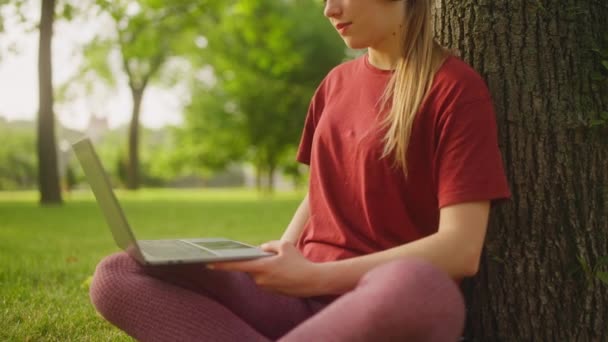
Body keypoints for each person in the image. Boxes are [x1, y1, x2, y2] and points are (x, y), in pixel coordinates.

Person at [89, 0, 511, 341]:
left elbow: (460, 250)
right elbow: (322, 191)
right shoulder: (335, 84)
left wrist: (314, 278)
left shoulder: (454, 89)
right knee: (119, 272)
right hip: (297, 298)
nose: (329, 9)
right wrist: (282, 253)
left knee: (420, 284)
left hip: (376, 301)